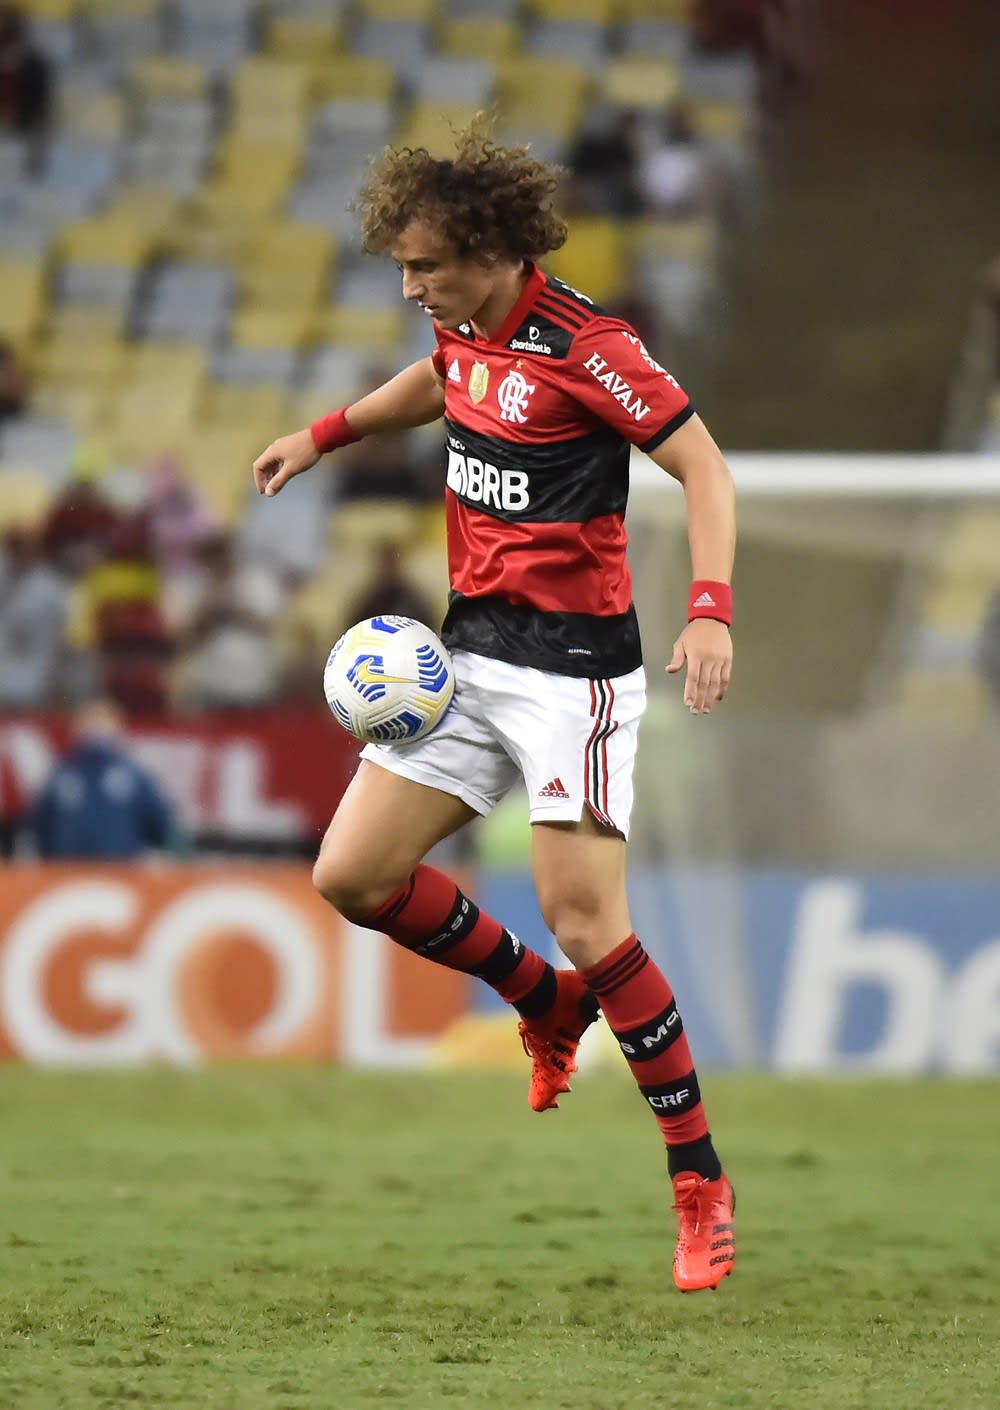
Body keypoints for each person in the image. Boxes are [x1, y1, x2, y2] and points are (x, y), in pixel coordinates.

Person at [252, 121, 736, 1293]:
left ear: (497, 248)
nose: (411, 284)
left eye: (425, 265)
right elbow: (438, 378)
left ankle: (696, 1179)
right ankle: (542, 1003)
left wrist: (711, 607)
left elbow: (705, 468)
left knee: (585, 917)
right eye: (405, 268)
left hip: (575, 675)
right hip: (469, 653)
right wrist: (328, 434)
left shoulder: (592, 348)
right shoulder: (458, 324)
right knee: (350, 877)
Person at [24, 698, 179, 860]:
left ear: (118, 728)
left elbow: (160, 825)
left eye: (103, 723)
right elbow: (39, 828)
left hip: (121, 873)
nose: (97, 729)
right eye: (91, 723)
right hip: (68, 874)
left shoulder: (135, 776)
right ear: (77, 728)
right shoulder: (60, 776)